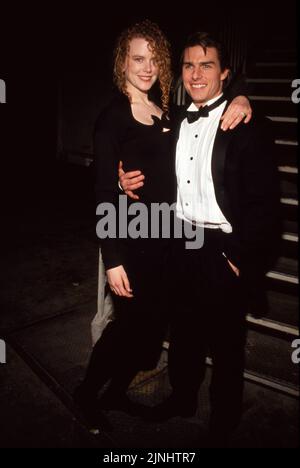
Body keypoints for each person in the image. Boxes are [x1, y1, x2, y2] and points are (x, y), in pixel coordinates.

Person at [74, 21, 252, 430]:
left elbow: (174, 166)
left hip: (170, 245)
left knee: (146, 333)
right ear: (122, 62)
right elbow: (102, 193)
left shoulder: (166, 111)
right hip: (133, 243)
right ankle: (87, 393)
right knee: (127, 330)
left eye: (154, 59)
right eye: (138, 58)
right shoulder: (112, 119)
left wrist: (242, 95)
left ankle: (117, 392)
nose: (147, 67)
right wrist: (113, 259)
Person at [120, 32, 280, 445]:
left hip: (222, 248)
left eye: (206, 65)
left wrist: (239, 257)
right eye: (189, 65)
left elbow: (265, 204)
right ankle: (182, 398)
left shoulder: (246, 123)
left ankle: (224, 417)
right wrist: (124, 180)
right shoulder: (173, 119)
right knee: (185, 333)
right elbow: (148, 164)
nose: (196, 74)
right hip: (180, 240)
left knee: (227, 343)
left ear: (224, 74)